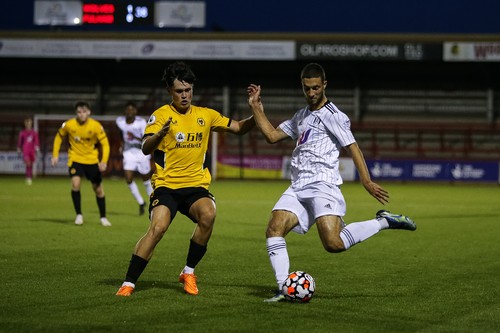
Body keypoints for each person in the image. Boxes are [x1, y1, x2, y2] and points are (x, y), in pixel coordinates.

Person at [247, 63, 417, 302]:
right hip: (298, 186)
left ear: (324, 85)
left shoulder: (334, 116)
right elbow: (272, 136)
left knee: (333, 243)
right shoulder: (301, 115)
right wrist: (256, 108)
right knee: (274, 229)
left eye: (316, 87)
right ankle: (283, 288)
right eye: (307, 88)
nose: (312, 93)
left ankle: (383, 221)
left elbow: (353, 147)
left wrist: (366, 181)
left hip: (322, 185)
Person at [116, 61, 255, 297]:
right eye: (179, 91)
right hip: (166, 187)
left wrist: (257, 111)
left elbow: (239, 127)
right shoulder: (160, 115)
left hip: (195, 186)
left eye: (188, 90)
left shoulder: (206, 115)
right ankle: (129, 283)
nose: (184, 95)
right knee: (158, 229)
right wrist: (159, 134)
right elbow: (145, 148)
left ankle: (188, 272)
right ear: (170, 91)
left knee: (208, 214)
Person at [51, 101, 112, 227]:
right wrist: (55, 155)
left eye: (84, 112)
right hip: (75, 159)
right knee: (75, 184)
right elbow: (58, 137)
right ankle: (79, 215)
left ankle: (103, 217)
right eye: (79, 112)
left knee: (98, 189)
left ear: (89, 112)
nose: (82, 114)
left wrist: (104, 161)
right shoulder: (69, 125)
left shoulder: (96, 126)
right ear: (76, 113)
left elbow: (105, 144)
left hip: (92, 161)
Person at [116, 101, 154, 215]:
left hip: (142, 152)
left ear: (135, 111)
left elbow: (145, 139)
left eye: (132, 110)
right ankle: (141, 202)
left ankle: (154, 202)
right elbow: (120, 133)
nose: (129, 112)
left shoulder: (141, 122)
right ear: (125, 111)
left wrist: (134, 137)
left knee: (146, 180)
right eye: (128, 109)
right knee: (128, 178)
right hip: (128, 153)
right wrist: (121, 145)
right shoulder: (120, 121)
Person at [17, 117, 39, 185]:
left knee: (31, 164)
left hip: (32, 150)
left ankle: (29, 177)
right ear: (25, 124)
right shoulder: (22, 133)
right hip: (25, 150)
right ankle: (28, 177)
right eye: (27, 123)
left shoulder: (34, 133)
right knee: (28, 163)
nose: (28, 124)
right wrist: (19, 147)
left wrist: (37, 146)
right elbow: (20, 141)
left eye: (29, 123)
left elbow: (36, 140)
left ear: (31, 123)